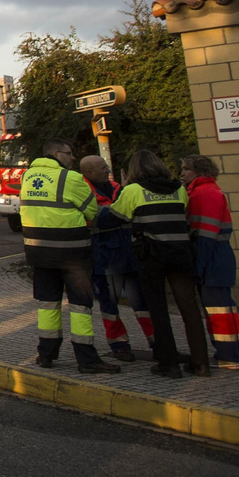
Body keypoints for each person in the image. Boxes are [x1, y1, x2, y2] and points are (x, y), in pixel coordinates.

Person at [18, 139, 119, 374]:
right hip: (71, 253)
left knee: (47, 304)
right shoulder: (70, 178)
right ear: (56, 154)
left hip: (38, 252)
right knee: (80, 305)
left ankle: (46, 355)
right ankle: (86, 359)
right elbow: (91, 211)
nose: (73, 158)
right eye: (69, 154)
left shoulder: (26, 177)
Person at [107, 149, 209, 378]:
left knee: (158, 309)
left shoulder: (133, 190)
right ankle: (201, 363)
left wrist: (122, 190)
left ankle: (168, 363)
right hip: (182, 254)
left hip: (152, 256)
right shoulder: (179, 190)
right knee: (190, 308)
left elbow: (114, 217)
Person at [82, 155, 155, 361]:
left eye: (107, 166)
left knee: (142, 303)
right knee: (109, 304)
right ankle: (119, 344)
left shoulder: (119, 188)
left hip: (130, 254)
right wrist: (120, 210)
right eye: (102, 168)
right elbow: (94, 219)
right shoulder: (84, 192)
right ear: (89, 173)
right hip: (105, 258)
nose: (107, 170)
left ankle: (156, 341)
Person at [181, 154, 239, 369]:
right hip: (218, 257)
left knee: (218, 310)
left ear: (200, 171)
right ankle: (233, 353)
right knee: (224, 309)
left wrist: (198, 267)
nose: (182, 173)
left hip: (212, 260)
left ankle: (229, 356)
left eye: (186, 169)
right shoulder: (208, 191)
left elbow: (205, 235)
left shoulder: (203, 193)